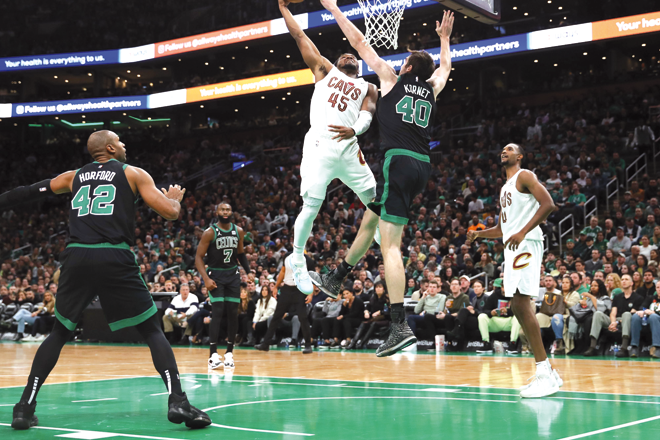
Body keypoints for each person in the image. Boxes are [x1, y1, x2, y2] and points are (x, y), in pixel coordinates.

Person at [0, 130, 210, 430]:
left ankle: (23, 408)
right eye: (122, 142)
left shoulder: (72, 177)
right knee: (152, 330)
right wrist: (174, 200)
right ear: (111, 148)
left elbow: (28, 192)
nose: (126, 145)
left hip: (77, 257)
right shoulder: (133, 173)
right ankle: (178, 401)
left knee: (59, 333)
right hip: (114, 256)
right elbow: (170, 213)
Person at [312, 2, 455, 358]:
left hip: (399, 162)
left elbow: (359, 42)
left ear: (406, 66)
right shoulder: (432, 87)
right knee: (369, 222)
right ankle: (337, 277)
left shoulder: (391, 80)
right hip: (422, 166)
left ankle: (398, 325)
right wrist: (445, 40)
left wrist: (333, 8)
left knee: (390, 246)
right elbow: (446, 68)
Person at [278, 0, 379, 295]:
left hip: (349, 147)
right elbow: (299, 36)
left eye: (352, 54)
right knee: (312, 205)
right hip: (320, 144)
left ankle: (381, 238)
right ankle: (297, 257)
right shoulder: (325, 70)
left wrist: (355, 129)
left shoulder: (367, 87)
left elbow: (368, 114)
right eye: (344, 54)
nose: (348, 55)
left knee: (375, 201)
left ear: (358, 65)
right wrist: (284, 8)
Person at [467, 143, 561, 398]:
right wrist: (479, 235)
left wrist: (523, 231)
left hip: (527, 243)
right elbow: (503, 228)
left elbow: (548, 204)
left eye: (509, 149)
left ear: (519, 156)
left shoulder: (525, 176)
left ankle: (544, 372)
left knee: (520, 304)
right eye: (502, 149)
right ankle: (548, 372)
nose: (503, 151)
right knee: (517, 306)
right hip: (514, 245)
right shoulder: (504, 188)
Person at [195, 203, 251, 370]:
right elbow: (198, 257)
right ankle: (213, 355)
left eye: (228, 209)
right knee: (218, 311)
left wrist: (248, 272)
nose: (225, 212)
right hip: (215, 275)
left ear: (231, 212)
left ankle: (229, 353)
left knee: (233, 313)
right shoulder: (210, 232)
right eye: (222, 210)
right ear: (217, 212)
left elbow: (240, 253)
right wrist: (205, 278)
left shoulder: (239, 231)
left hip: (232, 275)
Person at [255, 253, 315, 353]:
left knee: (302, 317)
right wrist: (276, 286)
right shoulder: (287, 256)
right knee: (276, 316)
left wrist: (311, 293)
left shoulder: (308, 260)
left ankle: (308, 345)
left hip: (300, 289)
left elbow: (312, 277)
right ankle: (266, 344)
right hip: (286, 289)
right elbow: (283, 271)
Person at [584, 274, 643, 357]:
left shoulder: (638, 298)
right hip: (615, 320)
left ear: (631, 283)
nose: (624, 281)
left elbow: (632, 313)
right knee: (598, 314)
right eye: (622, 279)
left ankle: (624, 348)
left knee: (626, 314)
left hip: (626, 320)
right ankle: (592, 346)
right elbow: (613, 312)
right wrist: (612, 322)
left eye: (626, 279)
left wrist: (617, 322)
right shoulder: (617, 297)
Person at [476, 279, 522, 354]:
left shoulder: (515, 296)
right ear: (501, 287)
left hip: (508, 322)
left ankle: (513, 344)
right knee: (481, 316)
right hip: (495, 322)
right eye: (504, 287)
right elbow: (484, 310)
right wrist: (491, 313)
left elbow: (519, 311)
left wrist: (508, 311)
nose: (505, 290)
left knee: (517, 318)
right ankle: (486, 343)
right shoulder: (494, 296)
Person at [347, 281, 390, 349]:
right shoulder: (373, 298)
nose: (378, 289)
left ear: (384, 289)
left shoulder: (387, 298)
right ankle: (353, 342)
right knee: (364, 323)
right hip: (374, 319)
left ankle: (362, 343)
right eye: (377, 287)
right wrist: (366, 311)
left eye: (380, 287)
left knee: (374, 324)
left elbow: (389, 311)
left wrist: (380, 312)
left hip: (386, 319)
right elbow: (367, 306)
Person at [629, 280, 660, 358]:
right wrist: (644, 311)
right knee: (636, 316)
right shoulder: (650, 298)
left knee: (654, 316)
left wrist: (653, 312)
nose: (659, 289)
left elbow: (653, 313)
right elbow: (642, 307)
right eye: (658, 287)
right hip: (649, 320)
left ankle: (657, 347)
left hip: (657, 320)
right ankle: (634, 347)